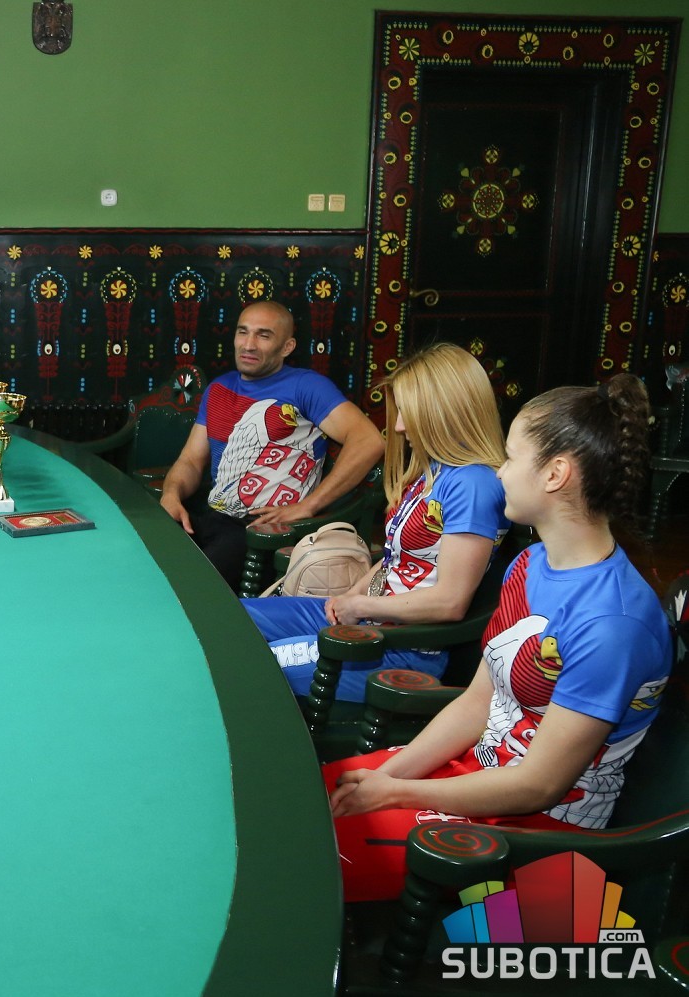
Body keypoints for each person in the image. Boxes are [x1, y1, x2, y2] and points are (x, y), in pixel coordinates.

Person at [325, 374, 671, 903]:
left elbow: (538, 785)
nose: (500, 472)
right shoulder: (528, 564)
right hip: (480, 773)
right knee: (308, 797)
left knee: (312, 853)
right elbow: (477, 703)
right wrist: (386, 778)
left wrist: (395, 793)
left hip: (540, 831)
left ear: (555, 474)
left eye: (510, 458)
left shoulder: (614, 624)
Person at [242, 342, 511, 699]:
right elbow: (395, 561)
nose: (398, 426)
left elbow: (451, 601)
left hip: (401, 647)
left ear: (442, 412)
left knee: (252, 665)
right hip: (369, 622)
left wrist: (360, 605)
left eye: (408, 413)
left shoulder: (472, 484)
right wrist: (349, 597)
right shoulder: (436, 470)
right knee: (230, 621)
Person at [159, 301, 383, 588]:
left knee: (188, 586)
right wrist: (171, 494)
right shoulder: (219, 388)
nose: (248, 344)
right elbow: (191, 460)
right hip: (212, 517)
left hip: (262, 532)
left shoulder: (306, 386)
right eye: (243, 332)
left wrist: (309, 506)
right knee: (147, 563)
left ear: (287, 347)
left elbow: (369, 441)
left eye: (263, 335)